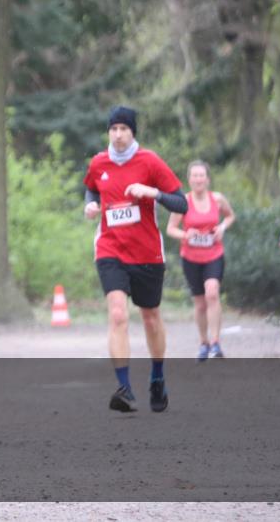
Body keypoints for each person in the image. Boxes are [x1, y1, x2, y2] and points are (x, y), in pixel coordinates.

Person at [83, 106, 187, 413]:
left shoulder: (150, 161)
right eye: (113, 129)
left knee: (150, 317)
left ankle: (157, 377)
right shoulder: (99, 162)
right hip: (110, 249)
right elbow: (90, 189)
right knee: (117, 314)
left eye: (123, 129)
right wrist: (90, 206)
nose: (117, 134)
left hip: (147, 253)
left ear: (133, 132)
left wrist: (151, 192)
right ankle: (124, 388)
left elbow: (182, 203)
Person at [166, 161, 235, 361]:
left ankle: (215, 343)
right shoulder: (182, 202)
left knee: (212, 293)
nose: (198, 179)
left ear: (207, 179)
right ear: (189, 179)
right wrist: (186, 235)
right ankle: (203, 343)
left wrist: (221, 228)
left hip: (214, 254)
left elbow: (230, 216)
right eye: (194, 176)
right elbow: (171, 228)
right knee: (200, 304)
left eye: (201, 175)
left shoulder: (218, 199)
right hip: (191, 257)